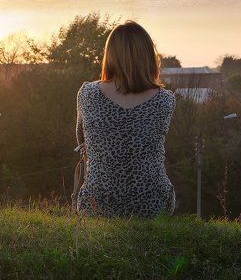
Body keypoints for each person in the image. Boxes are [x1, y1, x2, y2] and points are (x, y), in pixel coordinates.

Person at [73, 20, 176, 218]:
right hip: (152, 204)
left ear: (110, 55)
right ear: (148, 56)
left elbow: (82, 141)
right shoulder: (165, 100)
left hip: (97, 203)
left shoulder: (87, 94)